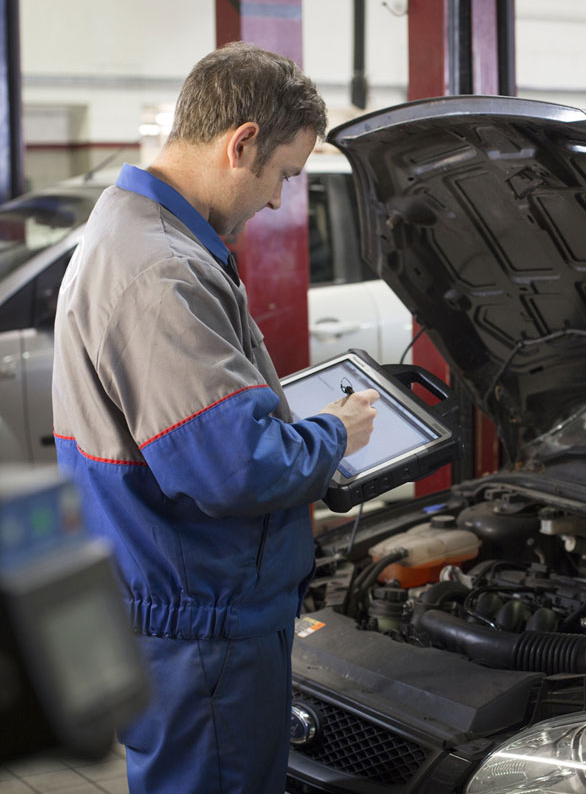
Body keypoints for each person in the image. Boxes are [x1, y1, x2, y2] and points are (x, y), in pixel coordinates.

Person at [51, 43, 378, 794]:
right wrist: (336, 433)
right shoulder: (160, 269)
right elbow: (235, 466)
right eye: (284, 176)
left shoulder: (133, 231)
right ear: (242, 144)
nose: (275, 201)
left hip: (173, 604)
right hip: (201, 622)